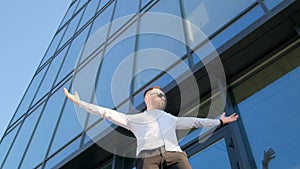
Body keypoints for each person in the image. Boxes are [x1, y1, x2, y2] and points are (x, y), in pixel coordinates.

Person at [64, 86, 239, 169]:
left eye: (164, 96)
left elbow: (195, 122)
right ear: (148, 98)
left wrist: (219, 122)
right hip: (148, 159)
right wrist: (81, 104)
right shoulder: (133, 119)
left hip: (175, 156)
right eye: (159, 95)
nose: (163, 97)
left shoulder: (170, 118)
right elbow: (105, 113)